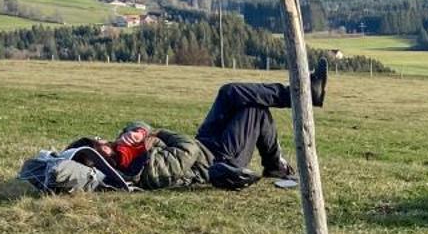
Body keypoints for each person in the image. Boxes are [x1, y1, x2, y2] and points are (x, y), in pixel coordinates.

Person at [78, 57, 327, 192]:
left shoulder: (123, 149)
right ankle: (303, 98)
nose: (102, 140)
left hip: (206, 142)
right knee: (255, 109)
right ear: (101, 156)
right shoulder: (141, 169)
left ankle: (302, 93)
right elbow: (189, 152)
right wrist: (156, 134)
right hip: (217, 160)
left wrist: (137, 131)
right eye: (98, 143)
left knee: (230, 91)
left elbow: (139, 124)